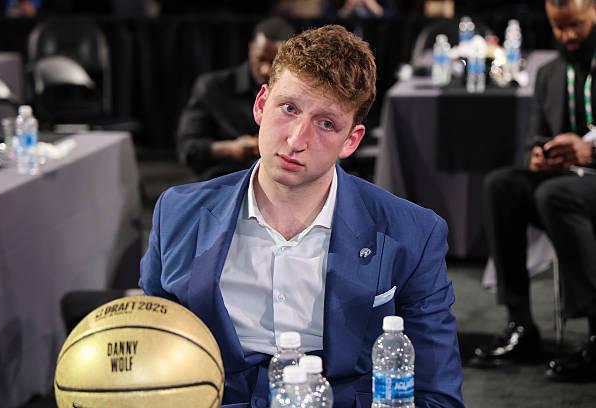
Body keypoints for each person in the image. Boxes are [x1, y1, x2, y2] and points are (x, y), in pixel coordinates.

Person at [141, 25, 463, 407]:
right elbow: (153, 356)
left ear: (351, 140)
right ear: (261, 104)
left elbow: (436, 395)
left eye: (326, 124)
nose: (296, 140)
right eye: (289, 108)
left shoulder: (412, 234)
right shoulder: (177, 214)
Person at [472, 0, 596, 383]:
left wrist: (590, 150)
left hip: (584, 181)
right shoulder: (549, 73)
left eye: (575, 26)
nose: (567, 36)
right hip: (563, 181)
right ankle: (521, 324)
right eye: (559, 27)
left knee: (553, 195)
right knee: (502, 186)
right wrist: (537, 157)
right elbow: (534, 138)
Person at [176, 17, 295, 180]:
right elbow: (188, 149)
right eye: (261, 59)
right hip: (224, 180)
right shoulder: (213, 88)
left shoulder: (297, 95)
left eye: (274, 63)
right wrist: (231, 148)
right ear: (251, 48)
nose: (266, 70)